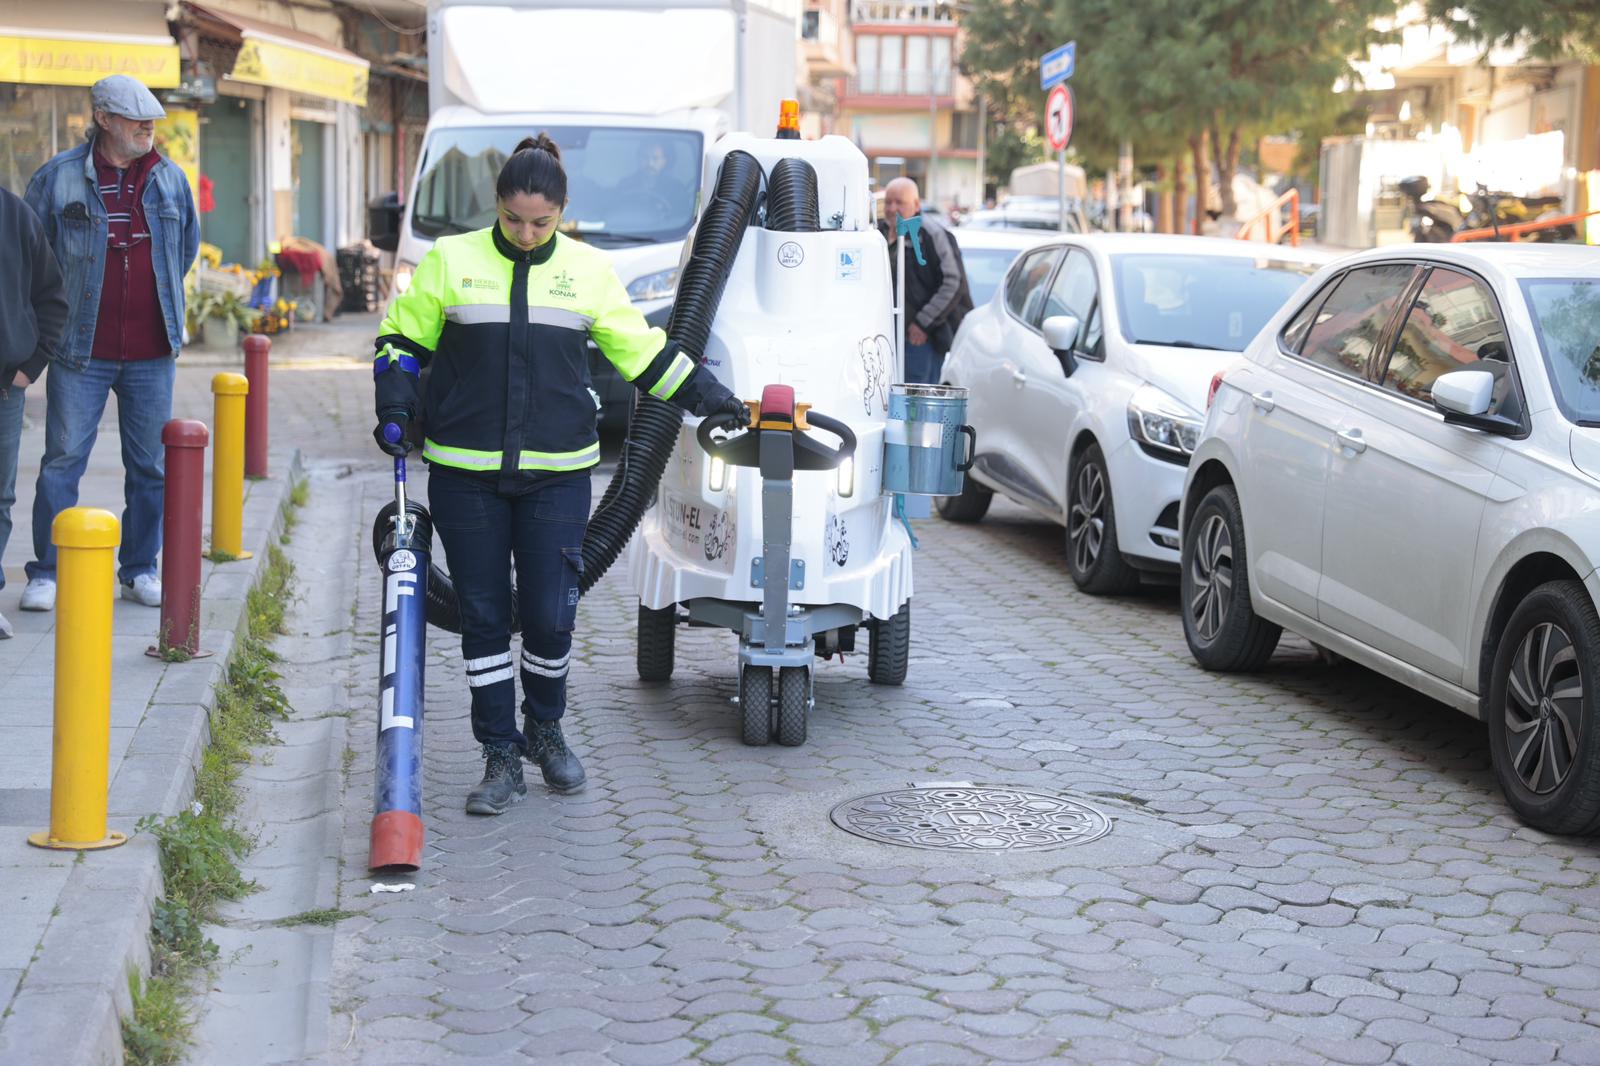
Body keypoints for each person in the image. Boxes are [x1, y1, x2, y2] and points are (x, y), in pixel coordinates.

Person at [373, 133, 749, 815]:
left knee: (550, 616)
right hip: (465, 473)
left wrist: (712, 399)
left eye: (540, 222)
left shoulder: (589, 272)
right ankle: (499, 756)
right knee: (485, 618)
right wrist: (394, 403)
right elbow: (401, 341)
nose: (524, 233)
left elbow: (645, 357)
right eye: (513, 218)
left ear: (562, 213)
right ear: (496, 205)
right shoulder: (451, 261)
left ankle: (544, 728)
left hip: (557, 476)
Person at [18, 75, 199, 612]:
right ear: (102, 118)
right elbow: (32, 260)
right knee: (61, 462)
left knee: (150, 469)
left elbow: (183, 251)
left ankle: (140, 568)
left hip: (152, 355)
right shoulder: (57, 179)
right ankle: (46, 572)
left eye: (151, 120)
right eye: (134, 117)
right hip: (79, 352)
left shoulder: (170, 181)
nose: (147, 127)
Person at [0, 186, 69, 638]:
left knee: (0, 499)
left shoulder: (15, 214)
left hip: (3, 389)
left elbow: (52, 297)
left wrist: (30, 367)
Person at [880, 177, 973, 383]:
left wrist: (923, 323)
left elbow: (953, 281)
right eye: (888, 202)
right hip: (885, 338)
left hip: (920, 339)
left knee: (916, 408)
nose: (892, 208)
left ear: (915, 205)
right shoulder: (877, 234)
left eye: (899, 202)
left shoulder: (932, 234)